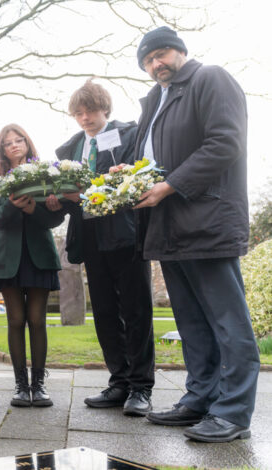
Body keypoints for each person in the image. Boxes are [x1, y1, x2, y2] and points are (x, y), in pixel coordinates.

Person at [133, 26, 259, 442]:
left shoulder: (210, 79)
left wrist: (168, 185)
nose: (156, 63)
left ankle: (234, 411)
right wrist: (131, 176)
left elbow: (225, 143)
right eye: (149, 60)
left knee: (227, 322)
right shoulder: (154, 101)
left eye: (162, 53)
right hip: (167, 228)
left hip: (207, 222)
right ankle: (200, 398)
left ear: (181, 52)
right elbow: (152, 160)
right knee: (191, 322)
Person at [53, 80, 155, 416]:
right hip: (90, 238)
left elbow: (140, 178)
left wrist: (109, 181)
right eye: (79, 113)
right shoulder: (69, 149)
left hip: (125, 233)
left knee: (136, 310)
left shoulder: (129, 135)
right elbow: (70, 198)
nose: (85, 118)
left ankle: (141, 387)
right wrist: (58, 199)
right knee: (106, 313)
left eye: (91, 111)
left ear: (104, 109)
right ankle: (119, 382)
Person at [0, 124, 63, 408]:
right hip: (8, 258)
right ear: (1, 149)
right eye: (8, 143)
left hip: (39, 254)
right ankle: (20, 385)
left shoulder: (46, 175)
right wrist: (13, 206)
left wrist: (36, 209)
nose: (14, 145)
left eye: (19, 140)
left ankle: (39, 385)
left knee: (38, 320)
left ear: (27, 143)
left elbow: (55, 220)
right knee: (16, 320)